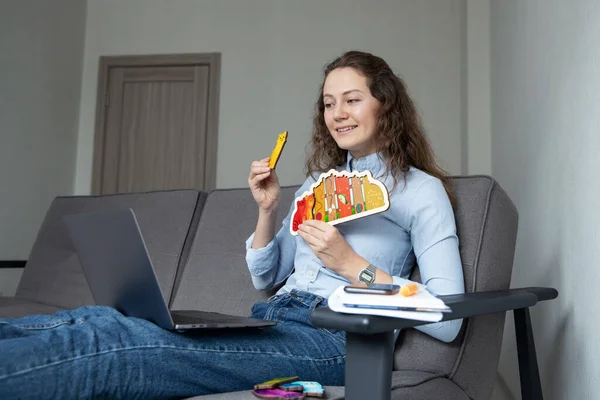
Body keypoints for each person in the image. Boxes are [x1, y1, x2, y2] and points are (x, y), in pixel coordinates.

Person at [0, 50, 464, 399]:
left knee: (122, 342)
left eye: (352, 99)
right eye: (328, 103)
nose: (337, 113)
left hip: (336, 340)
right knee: (100, 317)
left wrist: (352, 266)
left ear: (386, 105)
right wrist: (267, 210)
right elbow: (266, 276)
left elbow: (446, 318)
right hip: (272, 320)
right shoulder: (320, 186)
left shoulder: (420, 191)